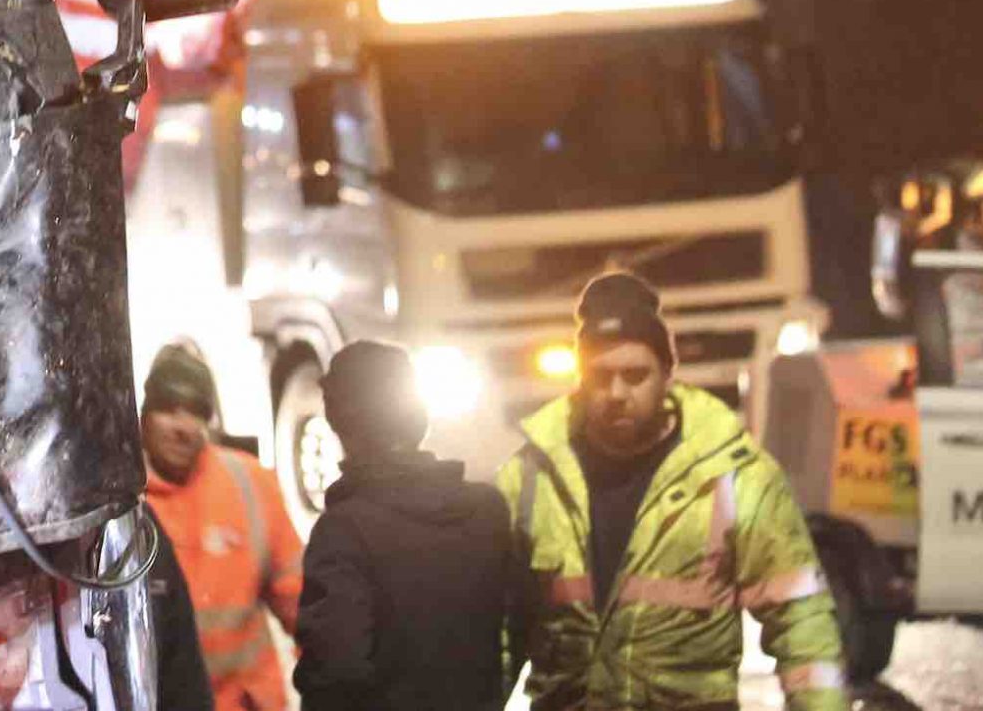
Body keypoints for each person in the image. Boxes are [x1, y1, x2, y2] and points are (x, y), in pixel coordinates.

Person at [498, 272, 848, 711]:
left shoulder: (734, 474)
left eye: (634, 375)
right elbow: (496, 634)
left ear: (668, 373)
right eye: (600, 376)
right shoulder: (531, 479)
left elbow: (801, 619)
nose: (616, 392)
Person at [292, 341, 519, 711]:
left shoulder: (345, 531)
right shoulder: (487, 512)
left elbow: (335, 669)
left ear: (338, 421)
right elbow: (518, 633)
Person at [141, 343, 303, 711]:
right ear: (143, 415)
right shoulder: (117, 504)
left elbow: (306, 607)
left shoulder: (249, 483)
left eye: (198, 412)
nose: (184, 427)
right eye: (169, 409)